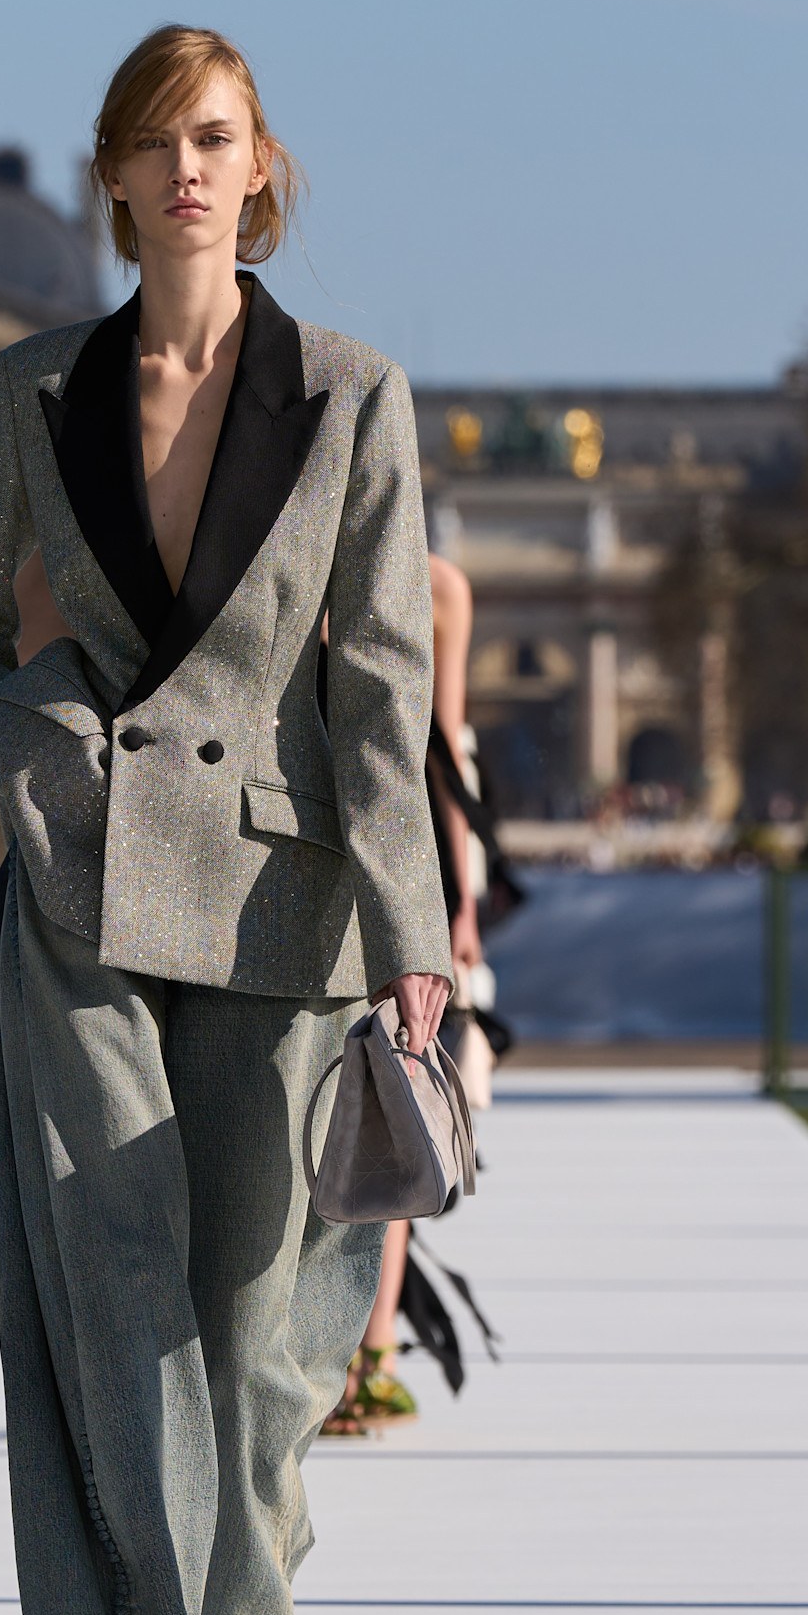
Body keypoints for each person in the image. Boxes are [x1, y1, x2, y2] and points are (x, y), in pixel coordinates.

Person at [0, 25, 451, 1615]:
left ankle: (241, 1613)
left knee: (258, 1342)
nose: (191, 169)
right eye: (158, 143)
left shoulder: (355, 395)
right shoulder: (32, 389)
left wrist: (418, 938)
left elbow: (383, 690)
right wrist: (34, 737)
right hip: (79, 893)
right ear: (118, 180)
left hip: (283, 907)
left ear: (263, 167)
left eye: (216, 137)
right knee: (117, 1305)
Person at [323, 554, 481, 1431]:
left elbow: (441, 750)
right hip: (306, 848)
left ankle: (372, 1350)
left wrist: (454, 906)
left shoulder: (439, 588)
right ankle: (338, 1353)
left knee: (393, 1099)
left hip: (399, 853)